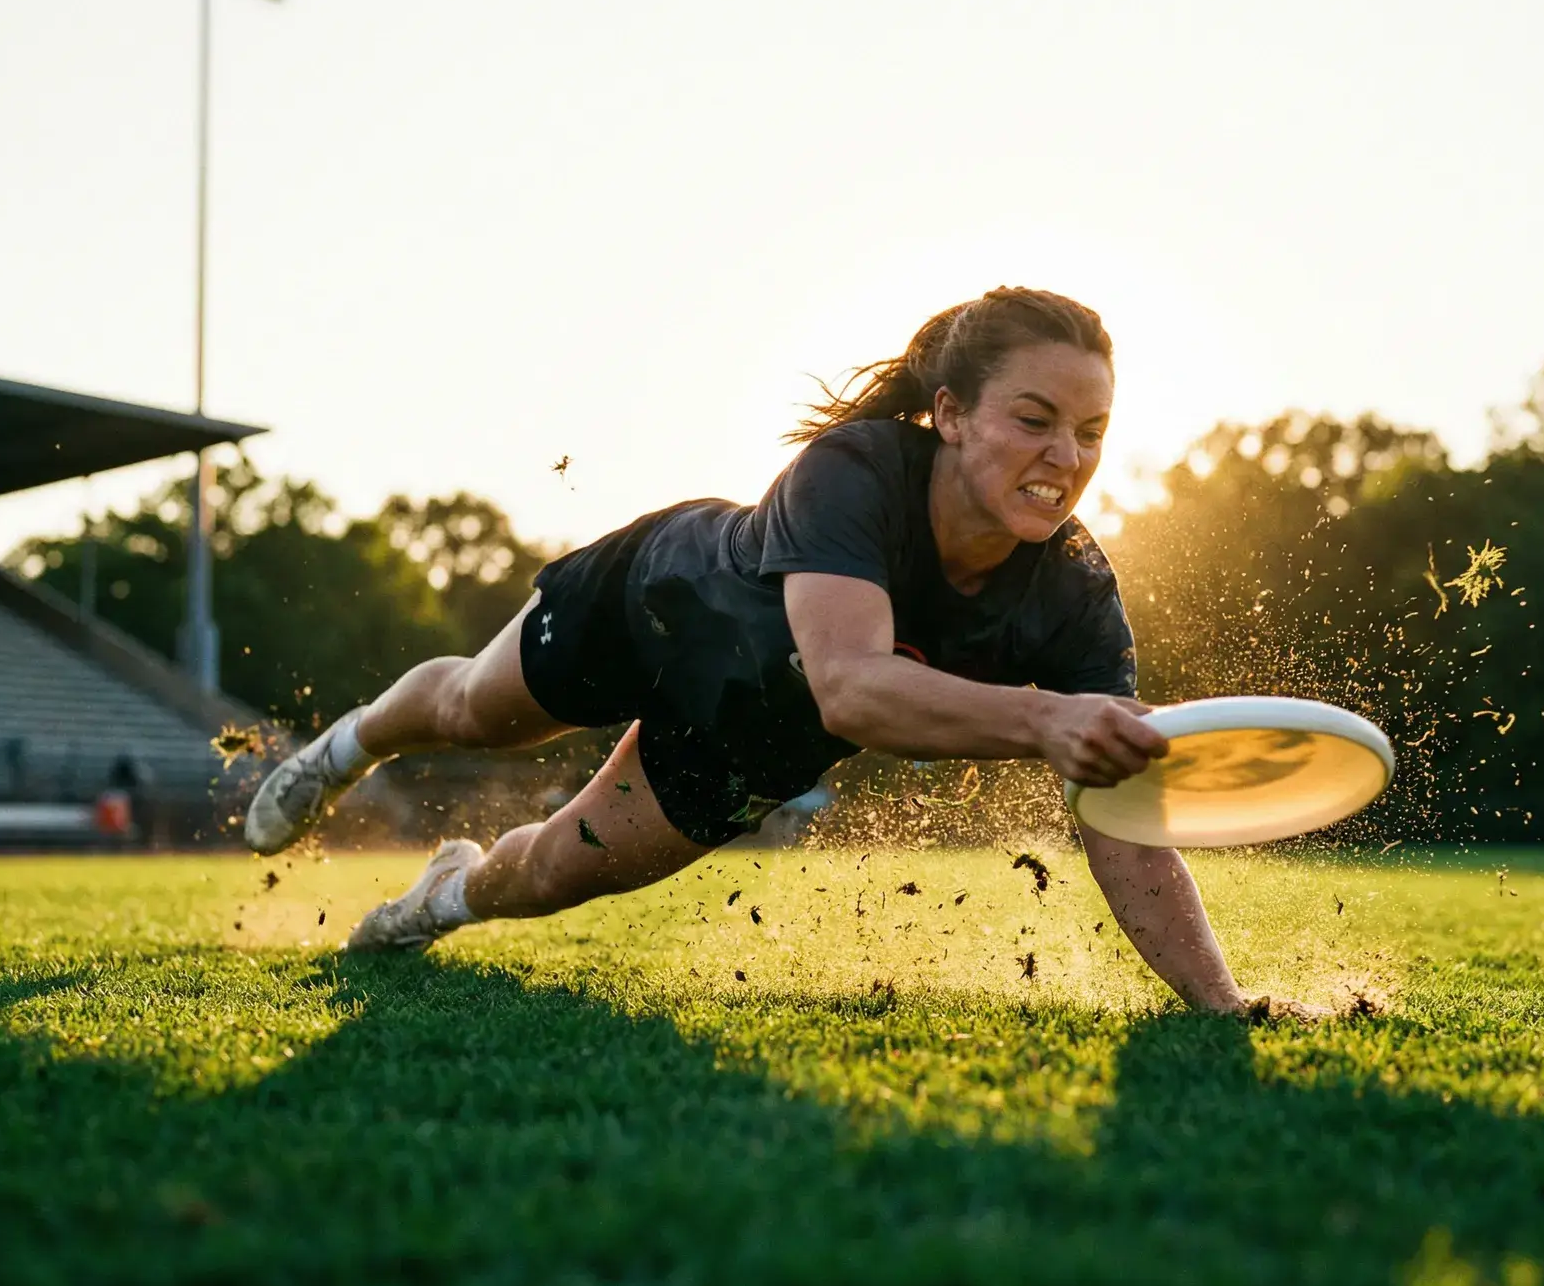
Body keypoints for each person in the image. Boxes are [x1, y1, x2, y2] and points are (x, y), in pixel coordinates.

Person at [246, 287, 1282, 1018]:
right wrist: (1045, 718)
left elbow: (1123, 818)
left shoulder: (1078, 593)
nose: (1066, 457)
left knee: (554, 873)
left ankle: (442, 893)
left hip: (751, 735)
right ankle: (346, 745)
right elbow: (851, 686)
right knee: (477, 708)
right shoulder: (855, 471)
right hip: (656, 602)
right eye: (1035, 419)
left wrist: (1223, 1004)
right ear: (954, 415)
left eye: (1092, 431)